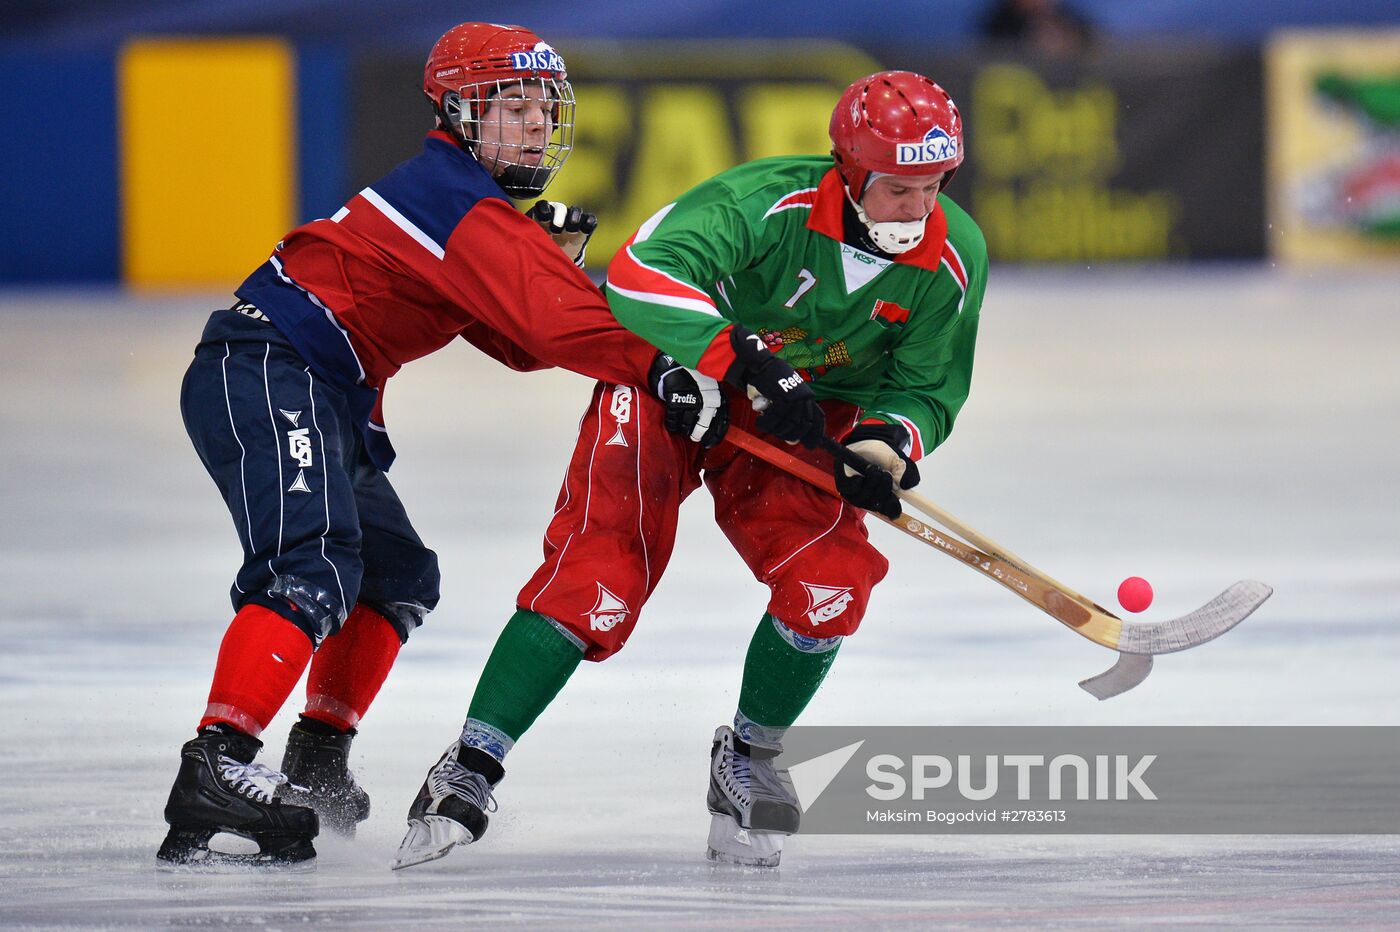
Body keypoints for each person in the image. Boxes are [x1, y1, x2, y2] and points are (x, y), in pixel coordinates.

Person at [155, 21, 811, 869]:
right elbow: (558, 325)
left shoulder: (480, 210)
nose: (537, 124)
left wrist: (556, 273)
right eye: (513, 105)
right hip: (269, 368)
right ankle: (218, 761)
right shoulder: (450, 195)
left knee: (396, 577)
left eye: (545, 106)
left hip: (311, 384)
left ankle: (317, 760)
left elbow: (519, 345)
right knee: (308, 567)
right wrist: (667, 365)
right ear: (459, 115)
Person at [394, 70, 989, 870]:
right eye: (896, 189)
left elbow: (924, 384)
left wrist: (884, 448)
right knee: (597, 579)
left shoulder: (955, 254)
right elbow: (642, 273)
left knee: (831, 583)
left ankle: (748, 756)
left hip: (800, 416)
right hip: (672, 382)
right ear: (848, 171)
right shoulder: (763, 202)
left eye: (935, 186)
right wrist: (739, 362)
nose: (919, 211)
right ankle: (469, 764)